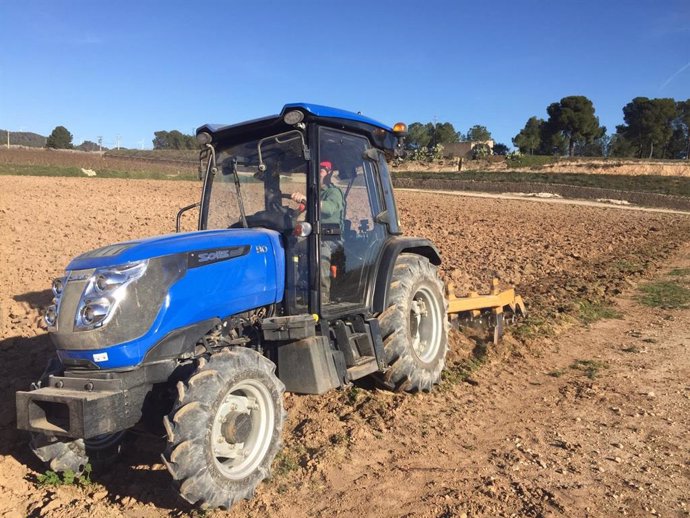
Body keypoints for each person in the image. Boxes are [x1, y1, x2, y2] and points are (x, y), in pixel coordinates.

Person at [291, 161, 344, 304]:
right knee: (292, 250)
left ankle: (322, 297)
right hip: (313, 236)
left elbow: (328, 208)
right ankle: (295, 291)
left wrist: (306, 199)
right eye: (317, 169)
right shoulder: (315, 193)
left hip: (330, 238)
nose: (319, 172)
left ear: (329, 173)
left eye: (322, 170)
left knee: (320, 253)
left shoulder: (333, 192)